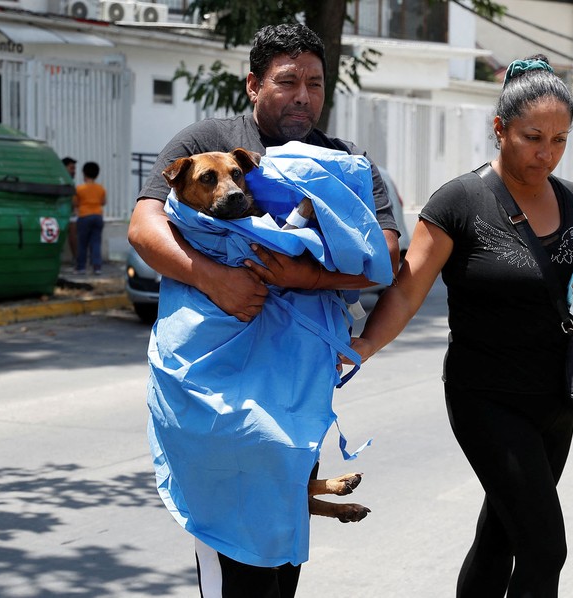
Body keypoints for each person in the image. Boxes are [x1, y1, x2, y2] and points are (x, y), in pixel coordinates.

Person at [128, 23, 399, 598]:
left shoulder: (344, 162)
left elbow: (385, 253)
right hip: (217, 391)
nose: (304, 95)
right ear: (254, 84)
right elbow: (144, 225)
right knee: (233, 551)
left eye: (316, 83)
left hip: (296, 396)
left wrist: (305, 275)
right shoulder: (205, 140)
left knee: (280, 558)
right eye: (287, 81)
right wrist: (214, 278)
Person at [349, 56, 573, 597]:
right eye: (533, 137)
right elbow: (407, 289)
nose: (546, 153)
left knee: (502, 535)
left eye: (560, 140)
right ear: (500, 129)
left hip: (556, 398)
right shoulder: (459, 203)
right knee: (545, 548)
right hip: (487, 398)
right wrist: (365, 345)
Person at [73, 161, 106, 275]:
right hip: (97, 216)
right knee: (96, 242)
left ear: (84, 174)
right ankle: (97, 267)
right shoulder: (100, 188)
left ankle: (81, 267)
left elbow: (75, 203)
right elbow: (103, 202)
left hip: (84, 216)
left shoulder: (79, 189)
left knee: (82, 243)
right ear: (96, 174)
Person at [61, 156, 78, 262]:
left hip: (70, 214)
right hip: (61, 213)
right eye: (71, 168)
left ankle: (76, 259)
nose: (74, 171)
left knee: (73, 236)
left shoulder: (70, 182)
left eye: (74, 168)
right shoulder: (61, 181)